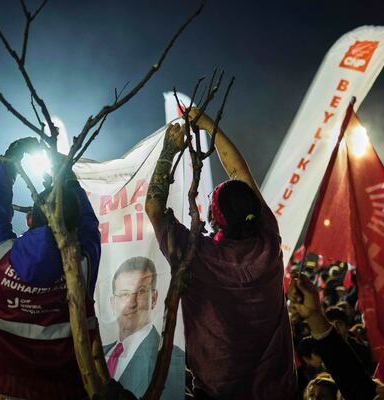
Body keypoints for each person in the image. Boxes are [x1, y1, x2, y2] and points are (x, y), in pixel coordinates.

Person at [145, 110, 296, 399]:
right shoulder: (268, 240)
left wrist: (168, 152)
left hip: (216, 393)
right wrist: (208, 123)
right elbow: (239, 173)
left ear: (214, 216)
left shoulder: (196, 256)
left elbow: (154, 208)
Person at [0, 138, 101, 399]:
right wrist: (68, 180)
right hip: (66, 389)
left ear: (30, 218)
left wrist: (8, 164)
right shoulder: (82, 265)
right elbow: (89, 224)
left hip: (2, 387)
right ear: (74, 224)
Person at [104, 256, 184, 399]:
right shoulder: (98, 354)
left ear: (154, 298)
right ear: (112, 303)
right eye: (124, 294)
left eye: (140, 292)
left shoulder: (173, 358)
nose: (131, 303)